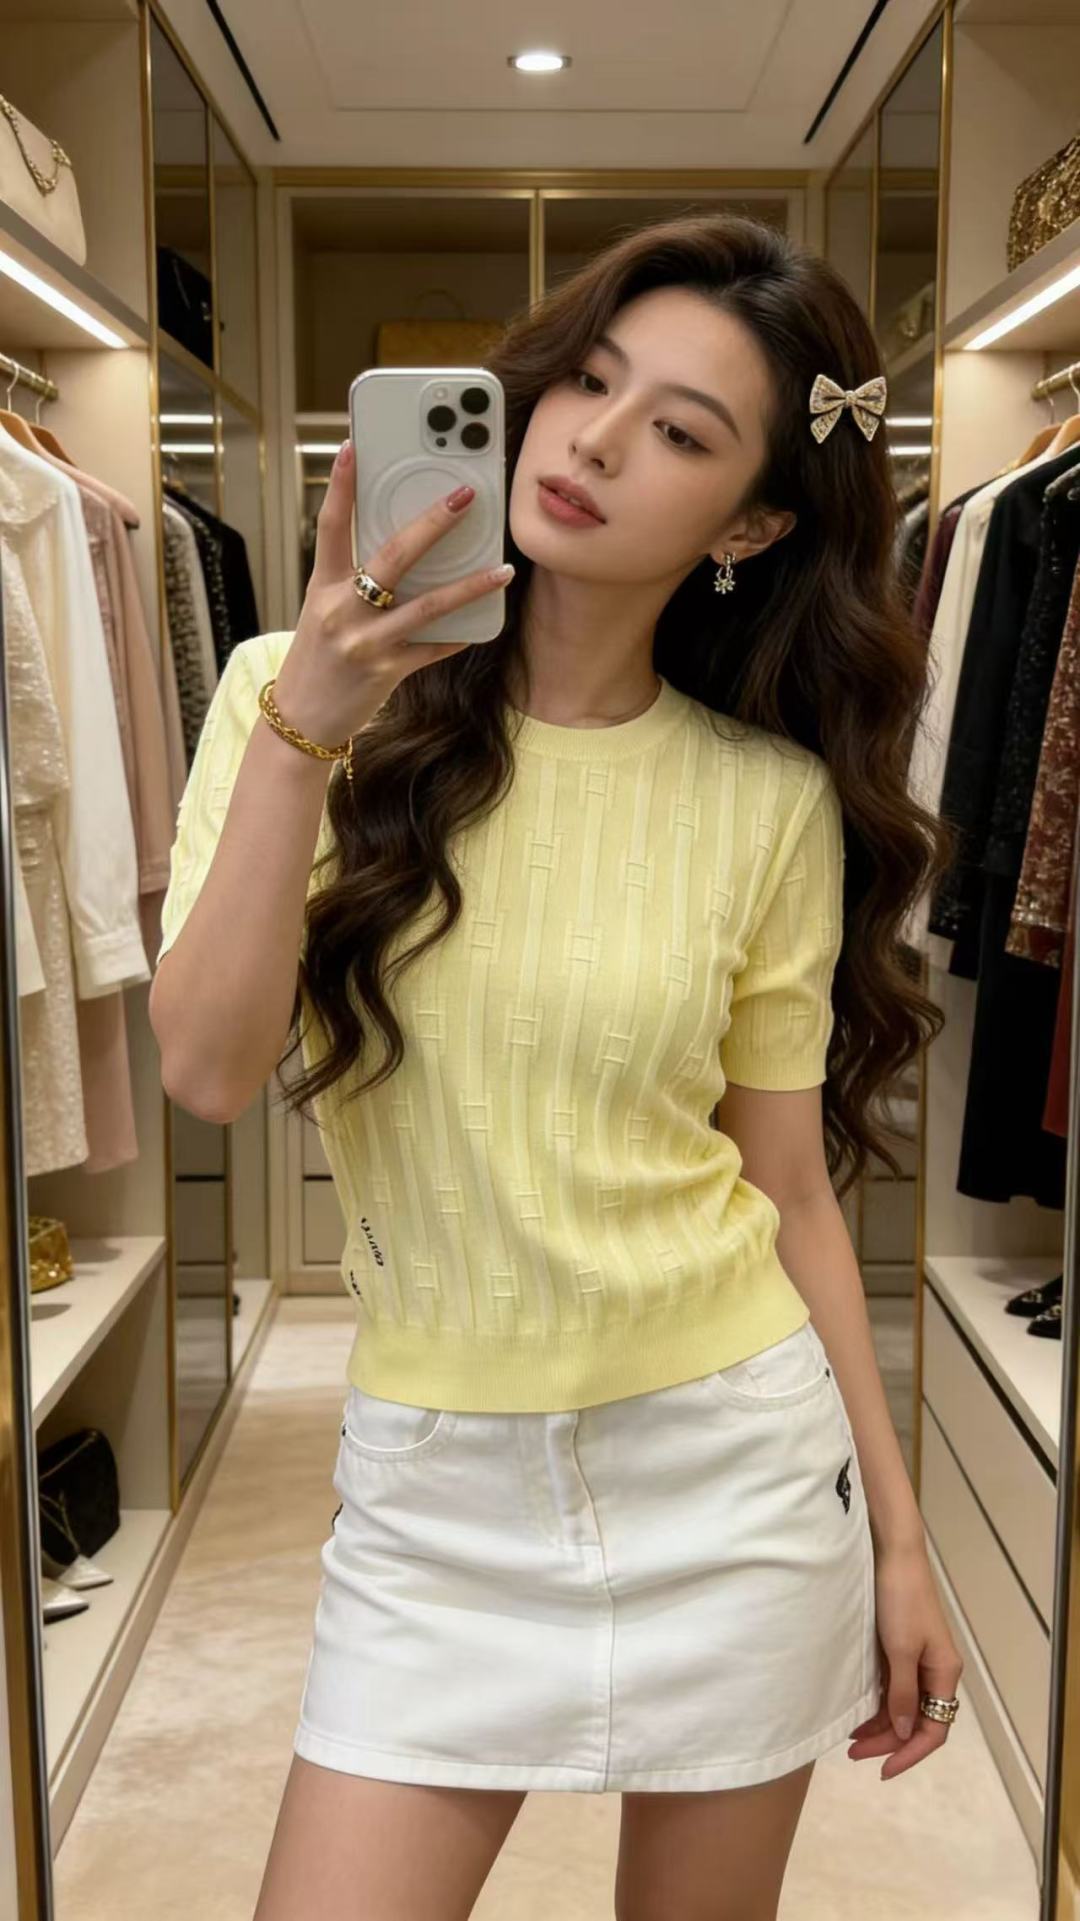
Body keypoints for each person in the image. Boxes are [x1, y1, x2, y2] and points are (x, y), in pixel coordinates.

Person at [151, 213, 962, 1921]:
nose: (591, 441)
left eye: (679, 430)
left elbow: (788, 1187)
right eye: (588, 382)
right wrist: (308, 726)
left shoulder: (765, 799)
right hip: (432, 1498)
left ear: (750, 524)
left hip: (734, 1481)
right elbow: (209, 1070)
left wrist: (899, 1537)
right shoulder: (283, 697)